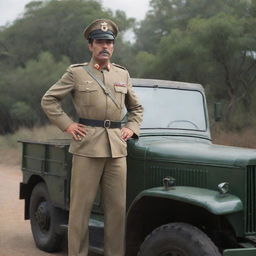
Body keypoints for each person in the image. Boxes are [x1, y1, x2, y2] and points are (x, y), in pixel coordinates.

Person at [41, 19, 143, 256]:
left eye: (109, 42)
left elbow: (137, 108)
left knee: (117, 212)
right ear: (91, 46)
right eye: (99, 42)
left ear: (113, 46)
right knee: (80, 210)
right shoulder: (76, 73)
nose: (104, 46)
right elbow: (49, 100)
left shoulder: (122, 74)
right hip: (87, 147)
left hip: (117, 150)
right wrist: (68, 125)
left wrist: (132, 127)